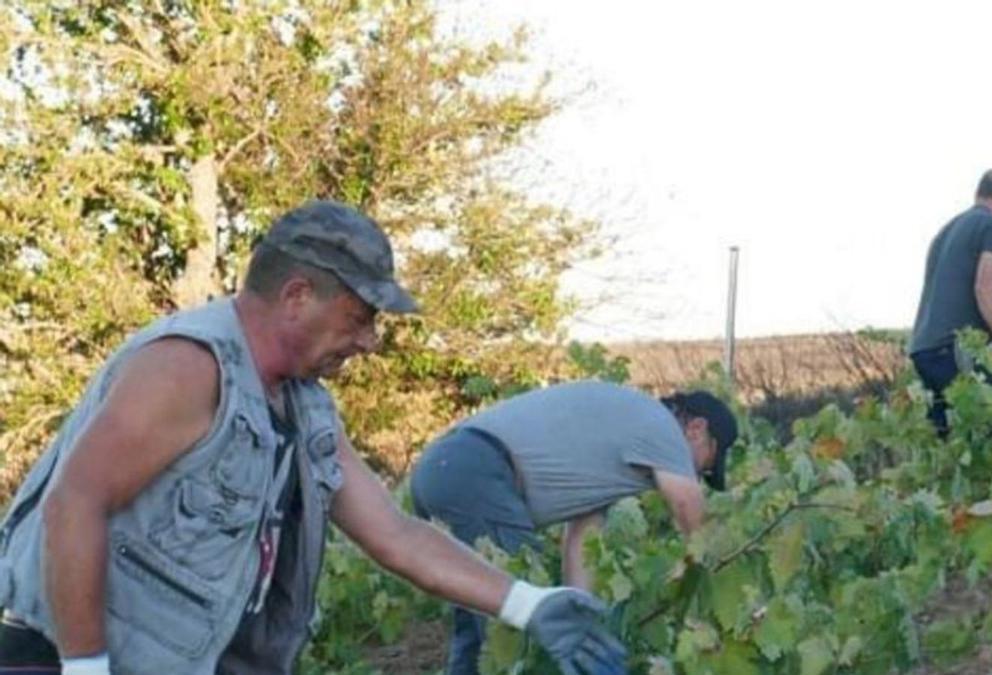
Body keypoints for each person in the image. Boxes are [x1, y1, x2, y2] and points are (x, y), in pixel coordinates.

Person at [0, 201, 626, 675]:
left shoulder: (305, 409)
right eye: (359, 318)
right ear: (297, 296)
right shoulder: (189, 367)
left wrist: (528, 603)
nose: (369, 341)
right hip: (57, 656)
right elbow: (73, 502)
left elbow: (397, 536)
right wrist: (85, 670)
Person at [410, 381, 738, 675]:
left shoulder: (619, 440)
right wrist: (720, 581)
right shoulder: (663, 426)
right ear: (695, 429)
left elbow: (582, 539)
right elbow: (688, 507)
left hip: (443, 469)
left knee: (481, 632)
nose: (696, 476)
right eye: (705, 466)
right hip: (476, 473)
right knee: (523, 630)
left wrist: (582, 618)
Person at [909, 168, 992, 434]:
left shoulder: (947, 230)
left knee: (950, 445)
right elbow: (986, 286)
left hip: (925, 350)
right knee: (989, 435)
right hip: (959, 352)